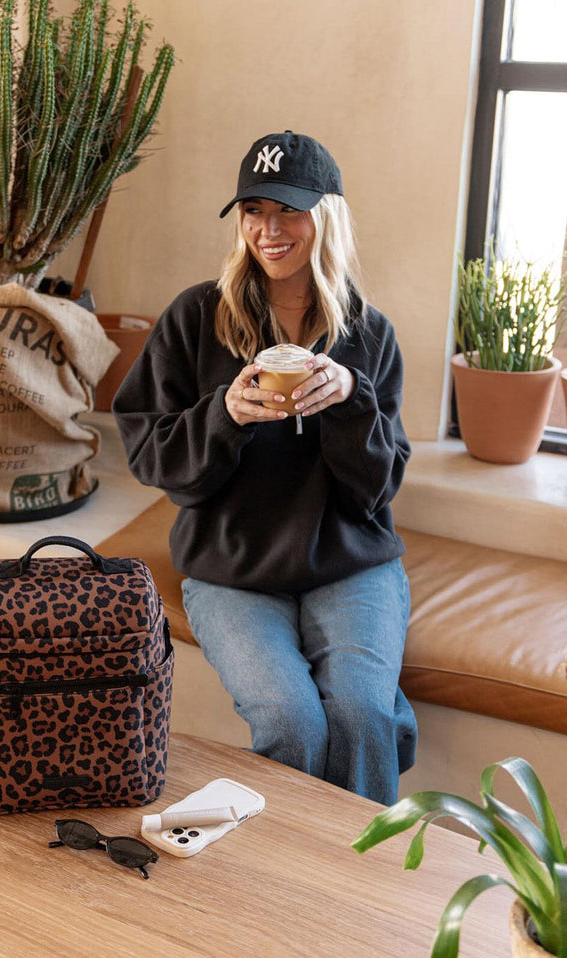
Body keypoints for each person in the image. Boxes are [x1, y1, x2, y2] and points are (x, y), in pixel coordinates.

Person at [112, 130, 416, 804]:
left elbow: (377, 491)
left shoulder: (368, 336)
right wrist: (227, 415)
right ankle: (284, 892)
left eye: (289, 210)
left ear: (326, 215)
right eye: (253, 210)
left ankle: (362, 886)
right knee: (291, 721)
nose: (269, 230)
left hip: (349, 561)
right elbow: (151, 454)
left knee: (364, 715)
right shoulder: (196, 318)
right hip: (233, 570)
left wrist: (349, 399)